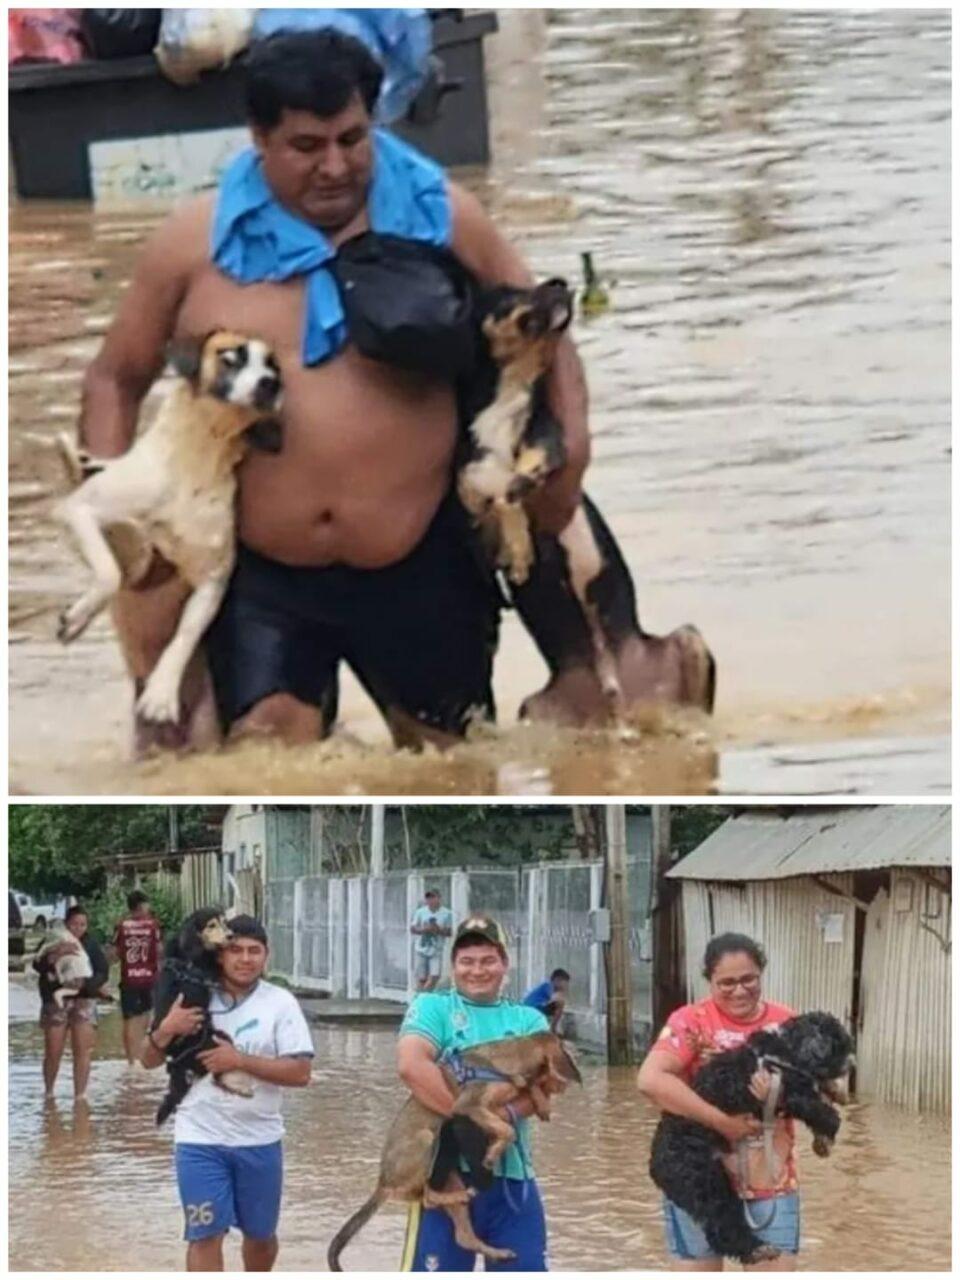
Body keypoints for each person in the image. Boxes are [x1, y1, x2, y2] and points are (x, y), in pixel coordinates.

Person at [77, 28, 590, 754]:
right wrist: (118, 512)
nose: (336, 166)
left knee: (450, 767)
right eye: (307, 146)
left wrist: (573, 453)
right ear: (258, 138)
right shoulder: (192, 245)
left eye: (353, 138)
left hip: (417, 561)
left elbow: (547, 330)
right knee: (266, 758)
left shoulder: (443, 218)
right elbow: (114, 376)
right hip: (263, 572)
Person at [139, 915, 313, 1272]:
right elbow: (148, 1060)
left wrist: (239, 1060)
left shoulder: (280, 1003)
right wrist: (167, 1029)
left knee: (261, 1236)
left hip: (260, 1140)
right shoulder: (190, 991)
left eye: (254, 951)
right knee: (203, 1234)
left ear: (267, 956)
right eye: (235, 950)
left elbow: (300, 1073)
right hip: (199, 1140)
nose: (245, 959)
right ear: (220, 954)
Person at [636, 933, 800, 1273]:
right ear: (709, 981)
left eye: (748, 979)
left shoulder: (788, 1024)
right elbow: (650, 1080)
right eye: (726, 982)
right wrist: (723, 1124)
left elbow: (824, 1082)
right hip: (698, 1171)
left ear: (761, 974)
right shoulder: (690, 1022)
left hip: (770, 1178)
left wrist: (779, 1092)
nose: (739, 990)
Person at [397, 914, 551, 1271]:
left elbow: (543, 1087)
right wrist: (467, 1125)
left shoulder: (529, 1020)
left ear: (505, 964)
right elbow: (411, 1065)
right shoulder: (433, 1007)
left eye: (487, 961)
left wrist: (504, 1117)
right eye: (466, 961)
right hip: (446, 1176)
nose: (477, 970)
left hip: (512, 1180)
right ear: (453, 966)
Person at [33, 904, 109, 1100]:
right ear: (66, 924)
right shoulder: (54, 940)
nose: (78, 928)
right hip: (56, 1000)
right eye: (74, 924)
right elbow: (37, 964)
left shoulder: (91, 944)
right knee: (53, 1050)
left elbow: (102, 971)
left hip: (84, 1001)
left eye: (83, 924)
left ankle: (80, 1095)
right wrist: (56, 955)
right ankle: (49, 1093)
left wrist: (88, 985)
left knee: (83, 1051)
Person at [111, 888, 163, 1064]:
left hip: (129, 980)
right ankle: (142, 1057)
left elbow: (115, 953)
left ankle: (131, 1061)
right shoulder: (153, 925)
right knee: (145, 1017)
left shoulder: (121, 926)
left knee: (129, 1019)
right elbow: (159, 950)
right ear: (142, 905)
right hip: (149, 979)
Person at [410, 888, 454, 992]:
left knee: (435, 976)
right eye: (428, 898)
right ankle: (421, 999)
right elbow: (412, 928)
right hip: (421, 949)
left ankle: (423, 996)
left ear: (439, 898)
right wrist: (424, 929)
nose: (430, 900)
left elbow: (449, 932)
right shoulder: (420, 912)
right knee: (422, 978)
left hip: (436, 949)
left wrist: (438, 929)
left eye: (433, 897)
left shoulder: (447, 913)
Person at [522, 968, 570, 1033]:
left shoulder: (548, 985)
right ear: (557, 980)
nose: (565, 986)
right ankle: (553, 1029)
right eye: (564, 983)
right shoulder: (548, 985)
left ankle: (550, 1028)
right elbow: (554, 998)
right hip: (532, 1008)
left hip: (532, 1008)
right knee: (560, 1003)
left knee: (558, 1004)